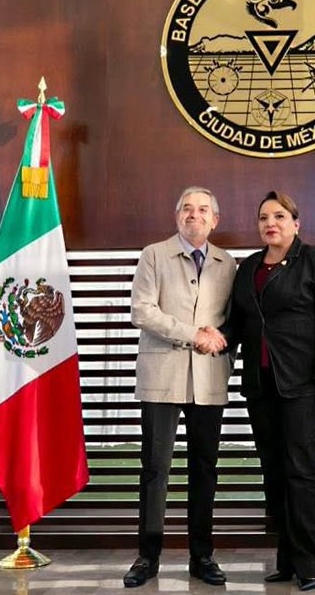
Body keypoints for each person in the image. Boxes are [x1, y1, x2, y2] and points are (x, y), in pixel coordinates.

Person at [223, 190, 315, 592]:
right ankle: (287, 560)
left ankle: (312, 563)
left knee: (301, 472)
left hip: (301, 385)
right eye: (263, 218)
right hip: (260, 387)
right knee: (273, 472)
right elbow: (238, 324)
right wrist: (208, 337)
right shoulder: (249, 267)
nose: (270, 223)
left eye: (278, 216)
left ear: (296, 223)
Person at [124, 187, 236, 588]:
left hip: (209, 377)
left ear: (215, 220)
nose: (194, 215)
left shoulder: (228, 263)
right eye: (187, 208)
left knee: (204, 469)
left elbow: (233, 320)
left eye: (203, 209)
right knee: (155, 469)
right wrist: (194, 335)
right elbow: (142, 311)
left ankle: (202, 556)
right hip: (162, 377)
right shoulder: (153, 255)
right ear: (177, 216)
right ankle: (147, 556)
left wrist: (219, 342)